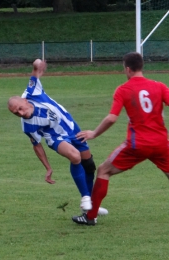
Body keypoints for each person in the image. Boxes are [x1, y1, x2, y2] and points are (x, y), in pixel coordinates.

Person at [72, 52, 169, 226]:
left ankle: (90, 216)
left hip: (137, 144)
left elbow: (111, 118)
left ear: (127, 69)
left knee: (103, 170)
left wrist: (94, 133)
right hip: (161, 143)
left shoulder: (124, 89)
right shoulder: (159, 86)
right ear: (141, 67)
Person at [8, 58, 108, 215]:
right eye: (16, 113)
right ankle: (85, 198)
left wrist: (37, 63)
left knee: (89, 165)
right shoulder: (27, 125)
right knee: (75, 157)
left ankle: (91, 206)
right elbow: (37, 145)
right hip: (55, 138)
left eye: (20, 108)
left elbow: (35, 71)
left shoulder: (32, 91)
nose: (20, 113)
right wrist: (48, 167)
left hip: (73, 129)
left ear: (25, 101)